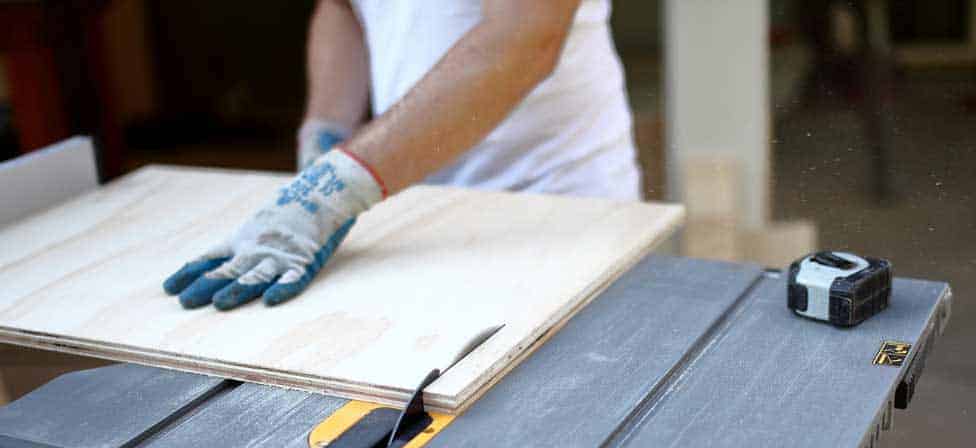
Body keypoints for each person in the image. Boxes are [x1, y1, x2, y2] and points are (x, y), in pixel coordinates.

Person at [163, 0, 641, 311]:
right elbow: (343, 9)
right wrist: (324, 140)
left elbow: (524, 38)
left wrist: (337, 187)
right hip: (410, 211)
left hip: (552, 210)